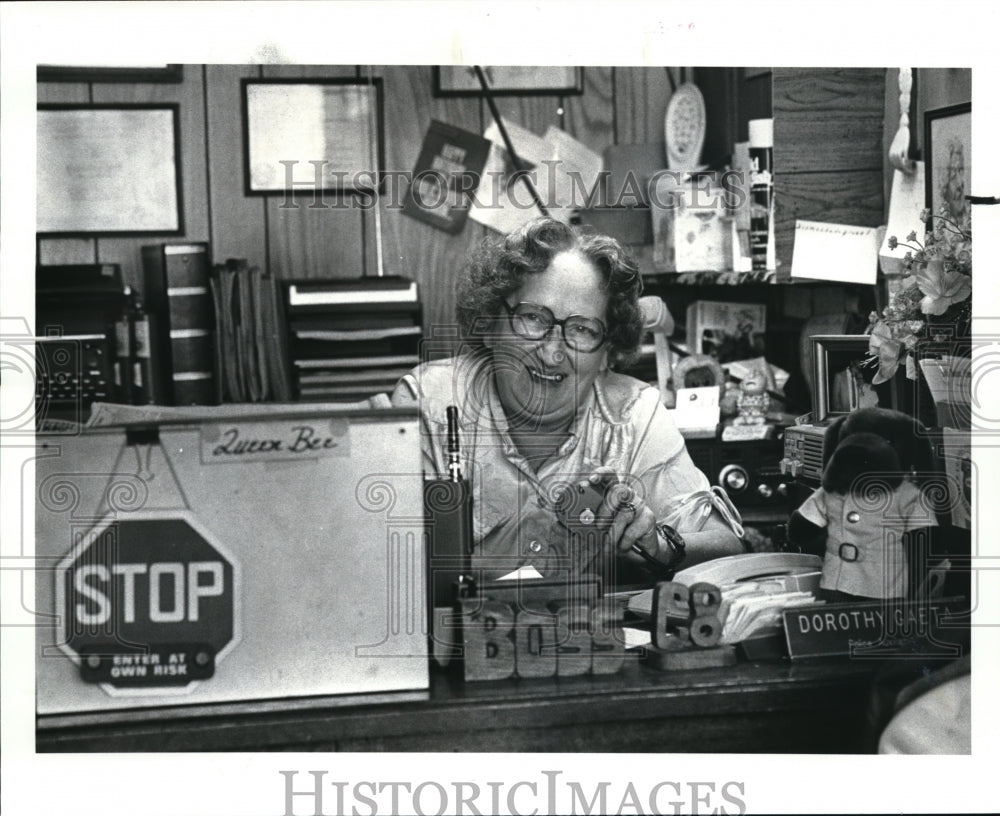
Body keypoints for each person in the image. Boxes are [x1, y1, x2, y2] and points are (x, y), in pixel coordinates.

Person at [392, 217, 743, 581]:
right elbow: (383, 564)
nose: (552, 352)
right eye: (532, 317)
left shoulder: (634, 413)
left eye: (581, 329)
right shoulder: (427, 403)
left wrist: (659, 546)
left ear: (608, 351)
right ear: (491, 323)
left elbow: (729, 547)